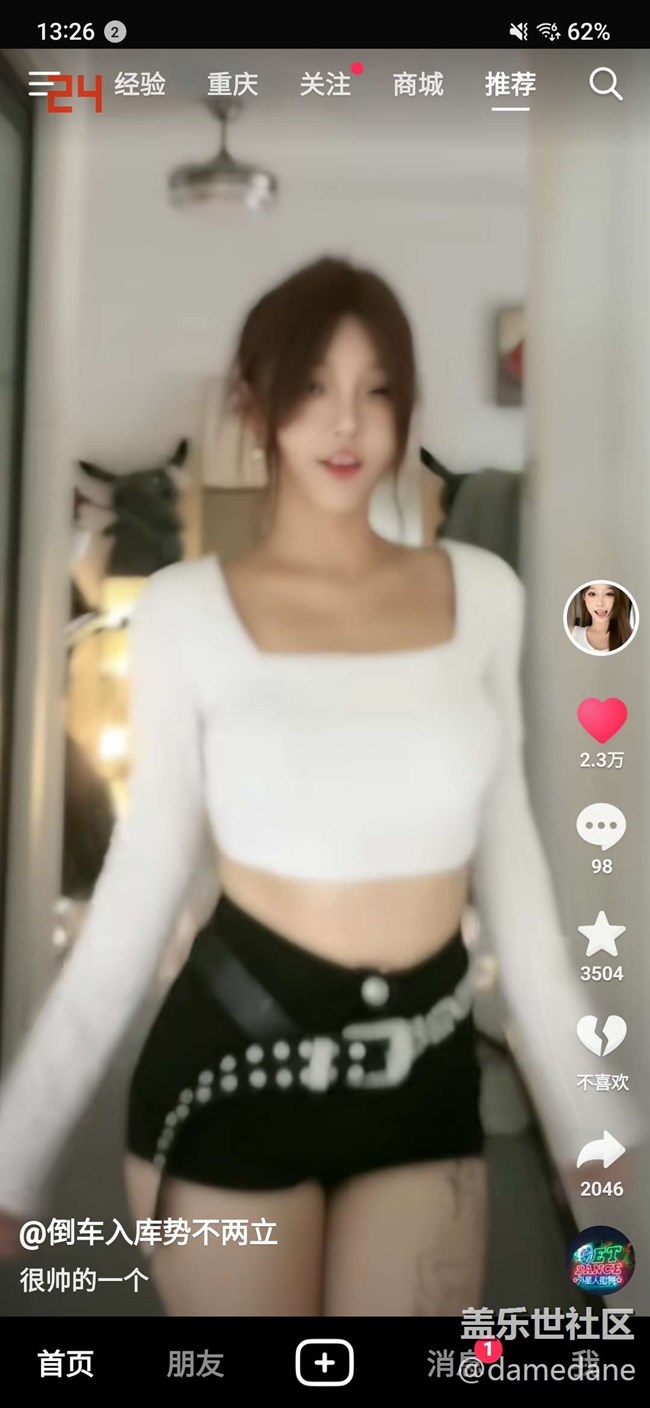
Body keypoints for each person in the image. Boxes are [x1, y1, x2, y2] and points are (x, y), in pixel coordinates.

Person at [0, 257, 639, 1315]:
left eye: (376, 389)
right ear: (255, 404)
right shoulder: (184, 612)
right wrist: (14, 1154)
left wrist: (593, 1130)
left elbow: (518, 884)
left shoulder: (482, 594)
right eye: (311, 386)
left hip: (424, 1078)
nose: (346, 422)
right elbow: (138, 891)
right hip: (232, 1071)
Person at [570, 582, 633, 653]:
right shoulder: (571, 634)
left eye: (609, 594)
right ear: (584, 596)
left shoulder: (633, 637)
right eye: (592, 594)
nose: (600, 603)